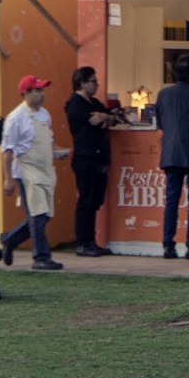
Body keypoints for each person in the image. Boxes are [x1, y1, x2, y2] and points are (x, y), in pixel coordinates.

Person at [0, 75, 69, 271]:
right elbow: (7, 151)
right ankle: (41, 257)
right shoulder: (16, 118)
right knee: (37, 215)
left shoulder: (44, 114)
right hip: (26, 169)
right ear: (26, 93)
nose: (42, 94)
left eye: (42, 90)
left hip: (45, 169)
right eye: (38, 91)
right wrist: (8, 179)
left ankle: (10, 239)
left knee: (45, 214)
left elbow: (49, 139)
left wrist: (57, 151)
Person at [154, 54, 189, 260]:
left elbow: (161, 124)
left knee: (172, 201)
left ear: (173, 73)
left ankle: (168, 245)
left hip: (171, 152)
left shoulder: (163, 95)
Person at [65, 66, 117, 258]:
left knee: (95, 201)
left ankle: (92, 241)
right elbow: (96, 122)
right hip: (86, 158)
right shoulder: (76, 104)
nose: (96, 85)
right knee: (86, 201)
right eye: (94, 81)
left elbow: (111, 118)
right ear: (83, 82)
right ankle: (83, 242)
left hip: (99, 158)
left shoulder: (94, 102)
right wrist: (104, 118)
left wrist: (107, 116)